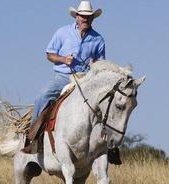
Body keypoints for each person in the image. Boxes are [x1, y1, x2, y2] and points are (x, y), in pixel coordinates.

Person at [22, 1, 122, 165]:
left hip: (86, 80)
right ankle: (32, 138)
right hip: (63, 77)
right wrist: (63, 59)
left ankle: (110, 146)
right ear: (76, 16)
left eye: (89, 17)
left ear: (93, 18)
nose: (86, 19)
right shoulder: (62, 33)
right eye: (83, 16)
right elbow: (49, 54)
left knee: (108, 104)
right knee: (42, 96)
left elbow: (101, 64)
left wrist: (94, 66)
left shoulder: (98, 39)